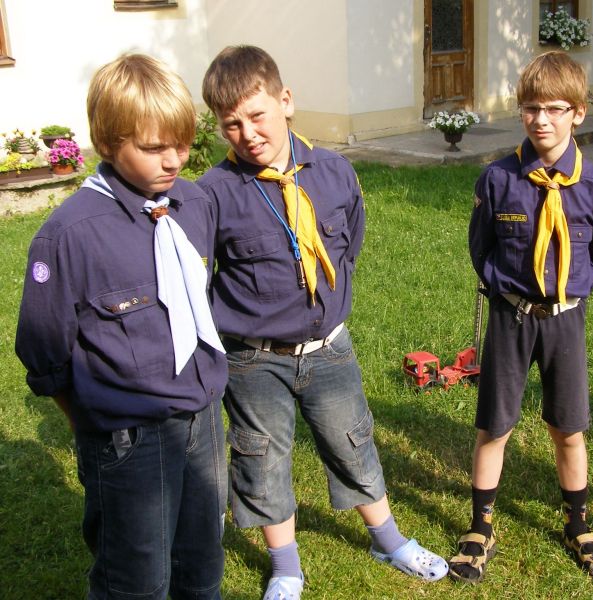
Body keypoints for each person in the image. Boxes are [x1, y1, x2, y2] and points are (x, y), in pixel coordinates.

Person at [197, 45, 448, 600]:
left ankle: (388, 540)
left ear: (285, 101)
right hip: (253, 358)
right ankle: (286, 568)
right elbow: (200, 275)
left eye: (257, 115)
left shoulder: (334, 172)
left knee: (352, 441)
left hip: (328, 348)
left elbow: (349, 246)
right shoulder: (213, 193)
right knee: (261, 459)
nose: (248, 134)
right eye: (231, 124)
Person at [15, 54, 228, 599]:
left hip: (203, 422)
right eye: (154, 148)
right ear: (109, 142)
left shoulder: (193, 204)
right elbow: (44, 351)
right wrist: (95, 426)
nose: (174, 160)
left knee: (202, 564)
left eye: (182, 144)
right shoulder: (69, 236)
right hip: (130, 439)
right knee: (136, 581)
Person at [448, 50, 593, 583]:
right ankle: (480, 526)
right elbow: (481, 248)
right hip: (512, 317)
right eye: (530, 108)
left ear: (578, 113)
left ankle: (578, 524)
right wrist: (508, 291)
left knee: (569, 426)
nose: (541, 120)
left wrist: (567, 294)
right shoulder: (497, 180)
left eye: (554, 108)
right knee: (494, 424)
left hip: (565, 318)